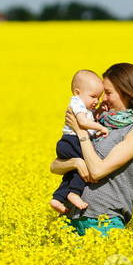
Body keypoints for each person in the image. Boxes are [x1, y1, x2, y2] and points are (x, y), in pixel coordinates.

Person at [50, 63, 133, 237]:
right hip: (69, 218)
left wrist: (81, 131)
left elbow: (97, 171)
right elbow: (54, 167)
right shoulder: (98, 124)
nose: (102, 99)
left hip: (103, 222)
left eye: (108, 93)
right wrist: (76, 162)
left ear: (127, 93)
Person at [50, 69, 109, 213]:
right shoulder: (76, 103)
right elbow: (82, 122)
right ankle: (74, 193)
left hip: (70, 142)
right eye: (93, 96)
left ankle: (57, 198)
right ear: (77, 93)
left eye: (99, 97)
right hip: (72, 141)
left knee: (72, 173)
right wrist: (100, 127)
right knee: (87, 162)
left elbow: (88, 117)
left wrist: (99, 112)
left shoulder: (84, 105)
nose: (97, 101)